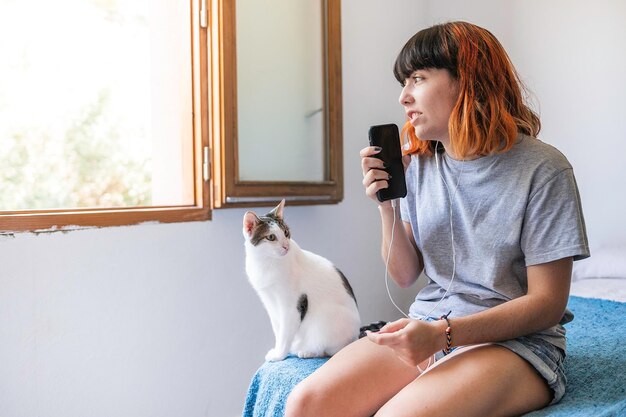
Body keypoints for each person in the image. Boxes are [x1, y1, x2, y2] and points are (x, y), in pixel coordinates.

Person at [284, 21, 590, 417]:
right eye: (404, 82)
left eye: (417, 78)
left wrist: (444, 336)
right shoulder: (422, 165)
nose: (403, 97)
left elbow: (547, 303)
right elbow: (405, 274)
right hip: (429, 326)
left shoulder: (543, 169)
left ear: (467, 82)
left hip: (515, 343)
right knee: (304, 404)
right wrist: (386, 205)